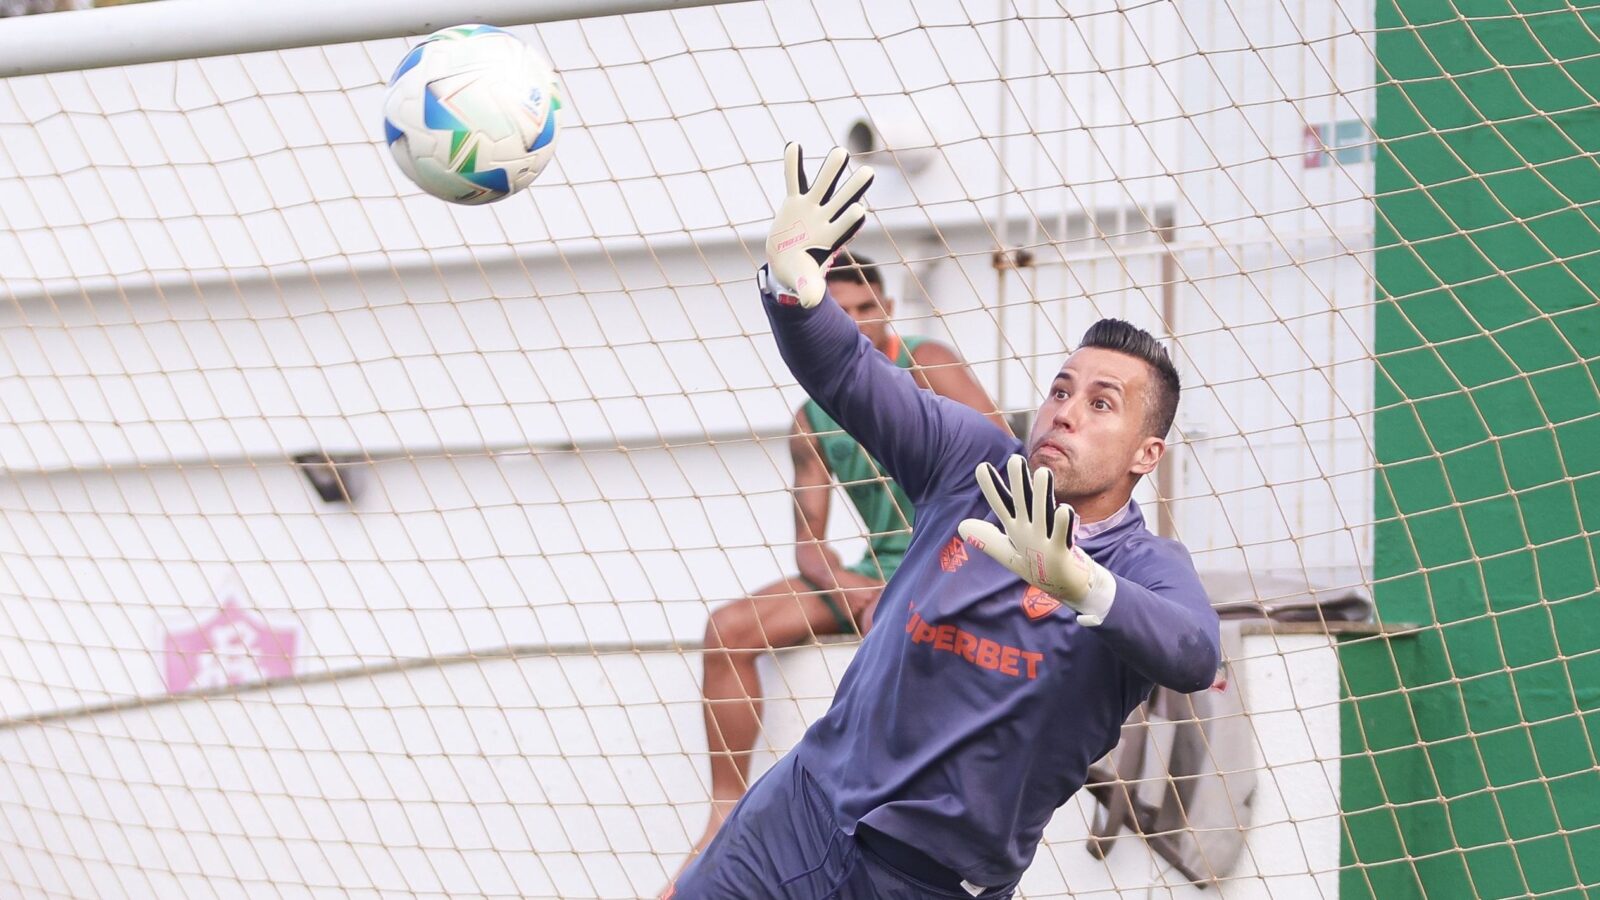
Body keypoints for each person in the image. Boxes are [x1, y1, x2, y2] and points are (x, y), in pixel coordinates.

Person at [668, 145, 1221, 899]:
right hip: (796, 817)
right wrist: (795, 285)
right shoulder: (972, 462)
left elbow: (1194, 655)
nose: (1065, 411)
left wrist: (1077, 582)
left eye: (1101, 404)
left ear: (1146, 453)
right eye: (1061, 390)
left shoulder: (1145, 567)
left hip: (926, 880)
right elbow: (850, 375)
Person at [687, 250, 1008, 865]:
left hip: (958, 559)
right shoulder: (811, 417)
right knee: (727, 631)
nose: (858, 322)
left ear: (888, 306)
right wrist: (855, 591)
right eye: (843, 312)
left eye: (867, 307)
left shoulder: (927, 363)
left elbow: (1007, 470)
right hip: (877, 571)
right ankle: (724, 812)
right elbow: (810, 544)